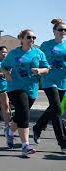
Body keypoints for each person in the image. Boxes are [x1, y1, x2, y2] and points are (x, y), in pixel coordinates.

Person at [1, 29, 49, 156]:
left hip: (32, 89)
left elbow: (47, 68)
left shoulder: (38, 53)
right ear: (21, 39)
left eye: (34, 37)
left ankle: (10, 133)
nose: (32, 40)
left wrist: (40, 71)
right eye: (29, 37)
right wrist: (6, 74)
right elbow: (4, 66)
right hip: (15, 87)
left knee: (20, 115)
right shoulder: (13, 53)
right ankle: (25, 145)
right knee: (25, 113)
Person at [32, 18, 66, 153]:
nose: (63, 32)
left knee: (55, 108)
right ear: (54, 31)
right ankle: (62, 142)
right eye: (60, 29)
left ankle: (38, 127)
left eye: (65, 30)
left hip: (63, 81)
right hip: (49, 80)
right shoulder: (46, 45)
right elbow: (37, 58)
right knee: (57, 109)